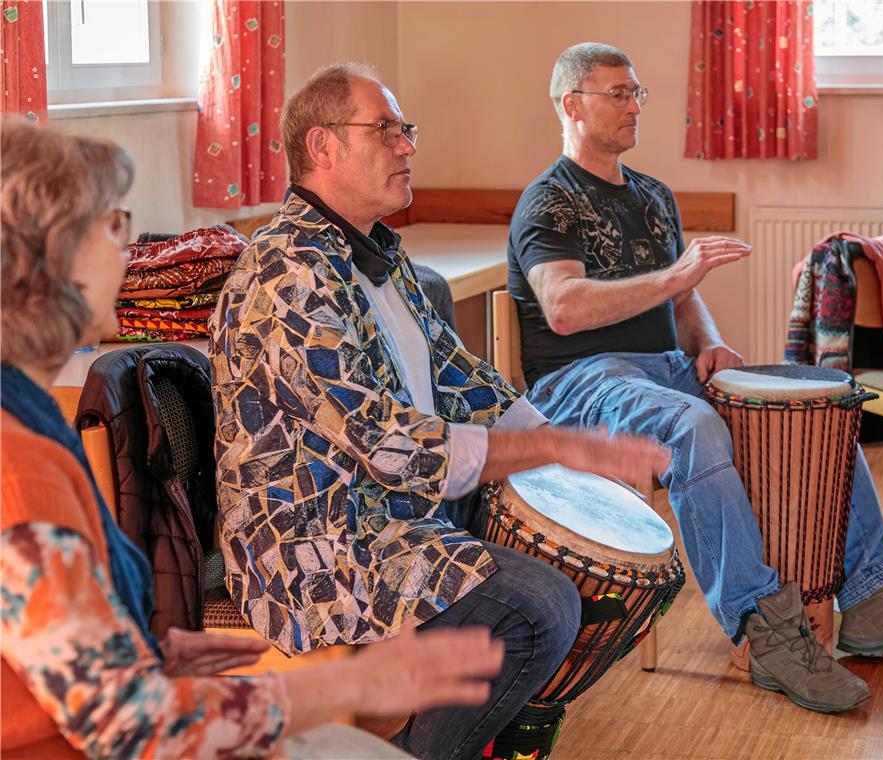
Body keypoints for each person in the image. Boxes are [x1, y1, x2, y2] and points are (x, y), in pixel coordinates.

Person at [0, 121, 505, 759]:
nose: (129, 251)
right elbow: (131, 727)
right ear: (49, 260)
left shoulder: (21, 424)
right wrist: (350, 682)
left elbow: (50, 655)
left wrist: (162, 656)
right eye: (111, 224)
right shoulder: (19, 471)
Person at [508, 42, 883, 716]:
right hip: (580, 381)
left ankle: (874, 596)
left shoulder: (651, 196)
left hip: (668, 371)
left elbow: (681, 303)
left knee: (817, 406)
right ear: (572, 105)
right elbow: (562, 308)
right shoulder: (547, 202)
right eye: (619, 92)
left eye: (638, 92)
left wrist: (712, 343)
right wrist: (680, 277)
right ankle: (764, 627)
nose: (634, 105)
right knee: (693, 426)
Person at [209, 64, 669, 759]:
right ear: (323, 147)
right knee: (536, 609)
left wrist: (569, 447)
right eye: (386, 129)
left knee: (596, 572)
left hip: (398, 516)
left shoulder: (380, 258)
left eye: (406, 129)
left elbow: (463, 379)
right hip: (316, 550)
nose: (407, 146)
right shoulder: (288, 273)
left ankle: (487, 736)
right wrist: (555, 452)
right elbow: (392, 446)